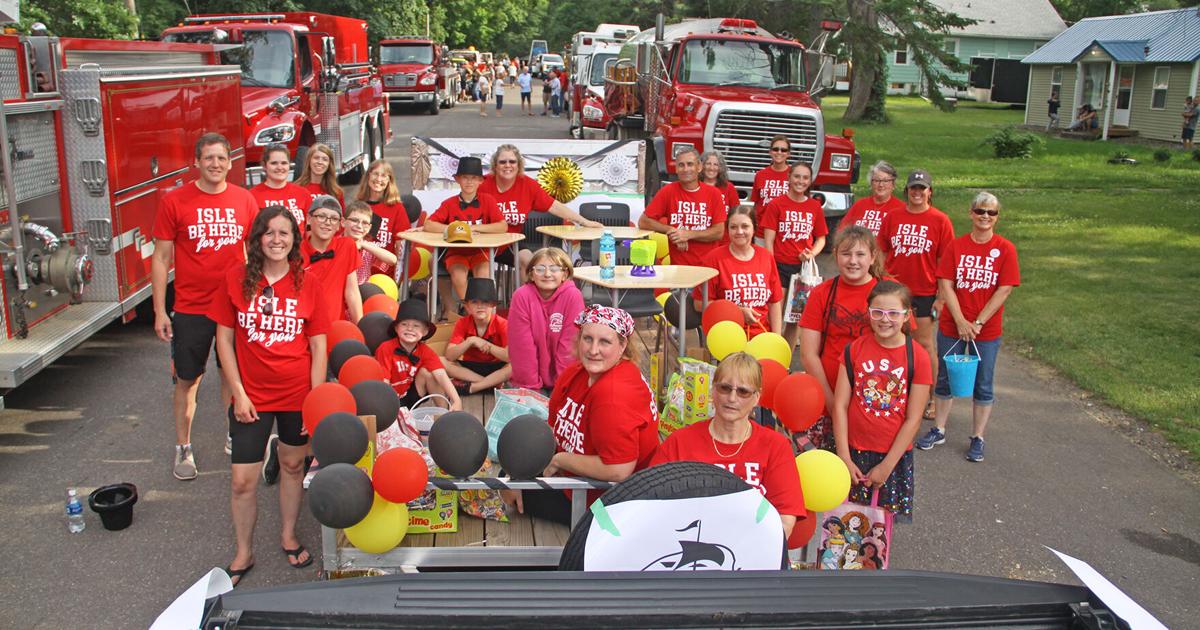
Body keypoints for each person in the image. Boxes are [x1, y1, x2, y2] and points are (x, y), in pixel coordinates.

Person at [210, 206, 330, 587]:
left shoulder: (308, 284)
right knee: (242, 481)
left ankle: (288, 535)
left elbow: (319, 346)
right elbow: (224, 341)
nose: (277, 239)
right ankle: (243, 551)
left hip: (296, 395)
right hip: (251, 398)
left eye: (284, 233)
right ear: (257, 238)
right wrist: (239, 394)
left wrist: (313, 400)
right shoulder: (234, 279)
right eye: (269, 233)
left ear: (295, 239)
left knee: (293, 467)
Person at [152, 132, 256, 480]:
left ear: (230, 162)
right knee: (188, 379)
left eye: (221, 158)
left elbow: (254, 253)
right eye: (209, 158)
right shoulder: (175, 201)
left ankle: (233, 435)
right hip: (192, 307)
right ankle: (184, 446)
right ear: (196, 162)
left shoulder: (244, 200)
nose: (215, 164)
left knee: (232, 374)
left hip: (232, 306)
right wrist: (159, 310)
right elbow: (162, 257)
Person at [511, 305, 659, 524]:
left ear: (622, 346)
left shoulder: (613, 394)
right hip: (576, 474)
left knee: (508, 494)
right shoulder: (577, 373)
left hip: (605, 503)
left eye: (605, 342)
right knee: (513, 459)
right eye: (587, 339)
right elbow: (552, 426)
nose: (593, 350)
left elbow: (619, 470)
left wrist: (560, 460)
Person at [651, 352, 805, 536]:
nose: (732, 398)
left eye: (743, 391)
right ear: (713, 390)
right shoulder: (680, 442)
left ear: (757, 397)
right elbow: (653, 505)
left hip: (753, 556)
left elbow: (785, 521)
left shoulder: (775, 446)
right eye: (725, 388)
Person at [917, 192, 1020, 463]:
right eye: (980, 211)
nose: (985, 216)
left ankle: (978, 436)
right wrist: (961, 320)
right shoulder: (957, 246)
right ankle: (938, 429)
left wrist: (976, 323)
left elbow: (1004, 289)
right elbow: (946, 284)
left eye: (991, 213)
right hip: (953, 325)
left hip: (985, 330)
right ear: (971, 213)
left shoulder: (1005, 249)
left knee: (983, 384)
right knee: (945, 379)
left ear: (997, 217)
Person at [832, 280, 932, 523]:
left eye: (893, 313)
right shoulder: (853, 350)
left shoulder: (918, 356)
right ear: (868, 313)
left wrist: (887, 466)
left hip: (892, 457)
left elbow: (914, 418)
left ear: (907, 315)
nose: (885, 319)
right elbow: (839, 405)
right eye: (877, 312)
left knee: (880, 529)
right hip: (853, 453)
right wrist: (844, 457)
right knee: (845, 525)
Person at [798, 226, 887, 448]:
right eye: (846, 254)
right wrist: (832, 402)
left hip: (873, 402)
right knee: (826, 473)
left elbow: (901, 350)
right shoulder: (822, 293)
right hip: (827, 397)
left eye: (860, 254)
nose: (853, 261)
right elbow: (809, 354)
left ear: (872, 256)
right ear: (836, 254)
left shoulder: (887, 294)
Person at [876, 170, 954, 421]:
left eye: (922, 188)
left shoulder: (940, 220)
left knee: (924, 343)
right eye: (913, 188)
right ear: (907, 190)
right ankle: (893, 392)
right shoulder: (893, 217)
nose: (917, 193)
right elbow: (881, 251)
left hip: (924, 292)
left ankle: (932, 397)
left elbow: (946, 261)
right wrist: (881, 280)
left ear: (930, 191)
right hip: (895, 291)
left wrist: (941, 298)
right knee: (890, 341)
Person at [479, 144, 601, 271]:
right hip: (483, 243)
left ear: (519, 165)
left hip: (511, 243)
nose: (507, 165)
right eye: (502, 162)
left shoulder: (528, 185)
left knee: (529, 262)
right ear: (495, 165)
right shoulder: (482, 184)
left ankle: (524, 292)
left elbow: (554, 206)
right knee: (480, 266)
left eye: (512, 161)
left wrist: (584, 221)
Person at [424, 157, 507, 309]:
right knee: (459, 276)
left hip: (480, 252)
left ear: (480, 181)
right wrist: (454, 229)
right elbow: (429, 224)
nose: (469, 182)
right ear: (458, 180)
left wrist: (474, 228)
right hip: (456, 252)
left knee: (483, 278)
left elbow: (502, 226)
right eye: (465, 178)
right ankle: (471, 313)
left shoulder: (488, 200)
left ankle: (484, 314)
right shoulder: (449, 203)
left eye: (474, 178)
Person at [763, 161, 828, 349]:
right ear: (789, 178)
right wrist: (770, 267)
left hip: (803, 270)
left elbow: (821, 239)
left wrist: (811, 253)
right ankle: (769, 354)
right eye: (797, 176)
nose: (801, 181)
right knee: (774, 315)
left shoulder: (814, 207)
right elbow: (769, 240)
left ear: (810, 181)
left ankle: (786, 361)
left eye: (805, 177)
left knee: (795, 319)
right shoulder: (777, 204)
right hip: (779, 266)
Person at [693, 206, 783, 337]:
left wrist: (776, 338)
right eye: (733, 227)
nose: (739, 231)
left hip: (762, 336)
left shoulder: (766, 257)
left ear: (754, 229)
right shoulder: (713, 259)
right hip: (727, 337)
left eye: (745, 226)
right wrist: (737, 311)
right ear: (727, 229)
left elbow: (774, 302)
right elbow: (699, 304)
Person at [507, 247, 585, 393]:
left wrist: (562, 387)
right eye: (540, 269)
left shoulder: (573, 296)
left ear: (564, 274)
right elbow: (522, 347)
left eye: (554, 269)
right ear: (531, 274)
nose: (547, 274)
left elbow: (569, 346)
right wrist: (531, 389)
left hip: (565, 380)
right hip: (529, 380)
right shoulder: (522, 296)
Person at [638, 148, 727, 267]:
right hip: (679, 268)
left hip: (708, 268)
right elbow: (643, 222)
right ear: (676, 169)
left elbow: (718, 232)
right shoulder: (668, 191)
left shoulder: (714, 194)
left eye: (690, 164)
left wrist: (688, 234)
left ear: (699, 167)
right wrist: (673, 231)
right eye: (681, 165)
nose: (686, 169)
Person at [374, 298, 462, 410]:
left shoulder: (425, 350)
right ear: (396, 328)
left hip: (411, 397)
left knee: (428, 373)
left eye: (416, 326)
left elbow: (441, 374)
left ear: (425, 331)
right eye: (404, 324)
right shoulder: (385, 348)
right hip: (389, 400)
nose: (410, 329)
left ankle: (443, 413)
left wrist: (456, 400)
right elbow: (383, 382)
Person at [443, 278, 511, 396]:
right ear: (467, 306)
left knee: (515, 365)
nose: (480, 306)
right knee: (440, 361)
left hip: (496, 366)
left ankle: (474, 387)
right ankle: (491, 384)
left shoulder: (502, 323)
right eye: (474, 302)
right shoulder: (462, 323)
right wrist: (471, 341)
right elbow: (449, 355)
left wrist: (488, 346)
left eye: (485, 302)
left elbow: (509, 357)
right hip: (470, 367)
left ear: (492, 305)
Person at [302, 196, 363, 324]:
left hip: (335, 328)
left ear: (339, 224)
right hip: (303, 327)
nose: (327, 222)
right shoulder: (295, 251)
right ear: (308, 219)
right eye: (321, 216)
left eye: (334, 218)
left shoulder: (347, 246)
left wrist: (361, 328)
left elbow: (352, 291)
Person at [354, 160, 413, 278]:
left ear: (389, 181)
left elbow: (401, 246)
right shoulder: (358, 205)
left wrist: (399, 276)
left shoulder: (397, 208)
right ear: (368, 176)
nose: (379, 179)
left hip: (385, 273)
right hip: (359, 271)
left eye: (384, 176)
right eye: (375, 174)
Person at [249, 144, 312, 230]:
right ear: (264, 165)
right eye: (274, 163)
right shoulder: (252, 196)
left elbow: (310, 229)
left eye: (284, 163)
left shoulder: (303, 194)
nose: (279, 167)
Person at [841, 161, 904, 237]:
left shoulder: (901, 208)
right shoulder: (860, 205)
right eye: (877, 180)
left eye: (886, 181)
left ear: (893, 184)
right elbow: (842, 231)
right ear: (871, 183)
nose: (881, 185)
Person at [342, 201, 397, 284]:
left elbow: (392, 260)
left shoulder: (367, 248)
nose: (359, 226)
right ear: (343, 222)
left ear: (369, 228)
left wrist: (363, 244)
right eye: (354, 220)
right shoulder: (335, 243)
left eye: (365, 223)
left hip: (362, 292)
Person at [750, 135, 792, 238]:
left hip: (784, 233)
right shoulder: (760, 175)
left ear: (788, 154)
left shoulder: (793, 175)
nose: (779, 152)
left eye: (783, 150)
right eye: (775, 149)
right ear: (770, 152)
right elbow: (756, 204)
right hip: (761, 232)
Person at [293, 143, 344, 209]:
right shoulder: (296, 189)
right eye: (316, 158)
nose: (320, 162)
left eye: (325, 159)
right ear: (309, 161)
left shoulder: (336, 192)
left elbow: (341, 217)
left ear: (329, 164)